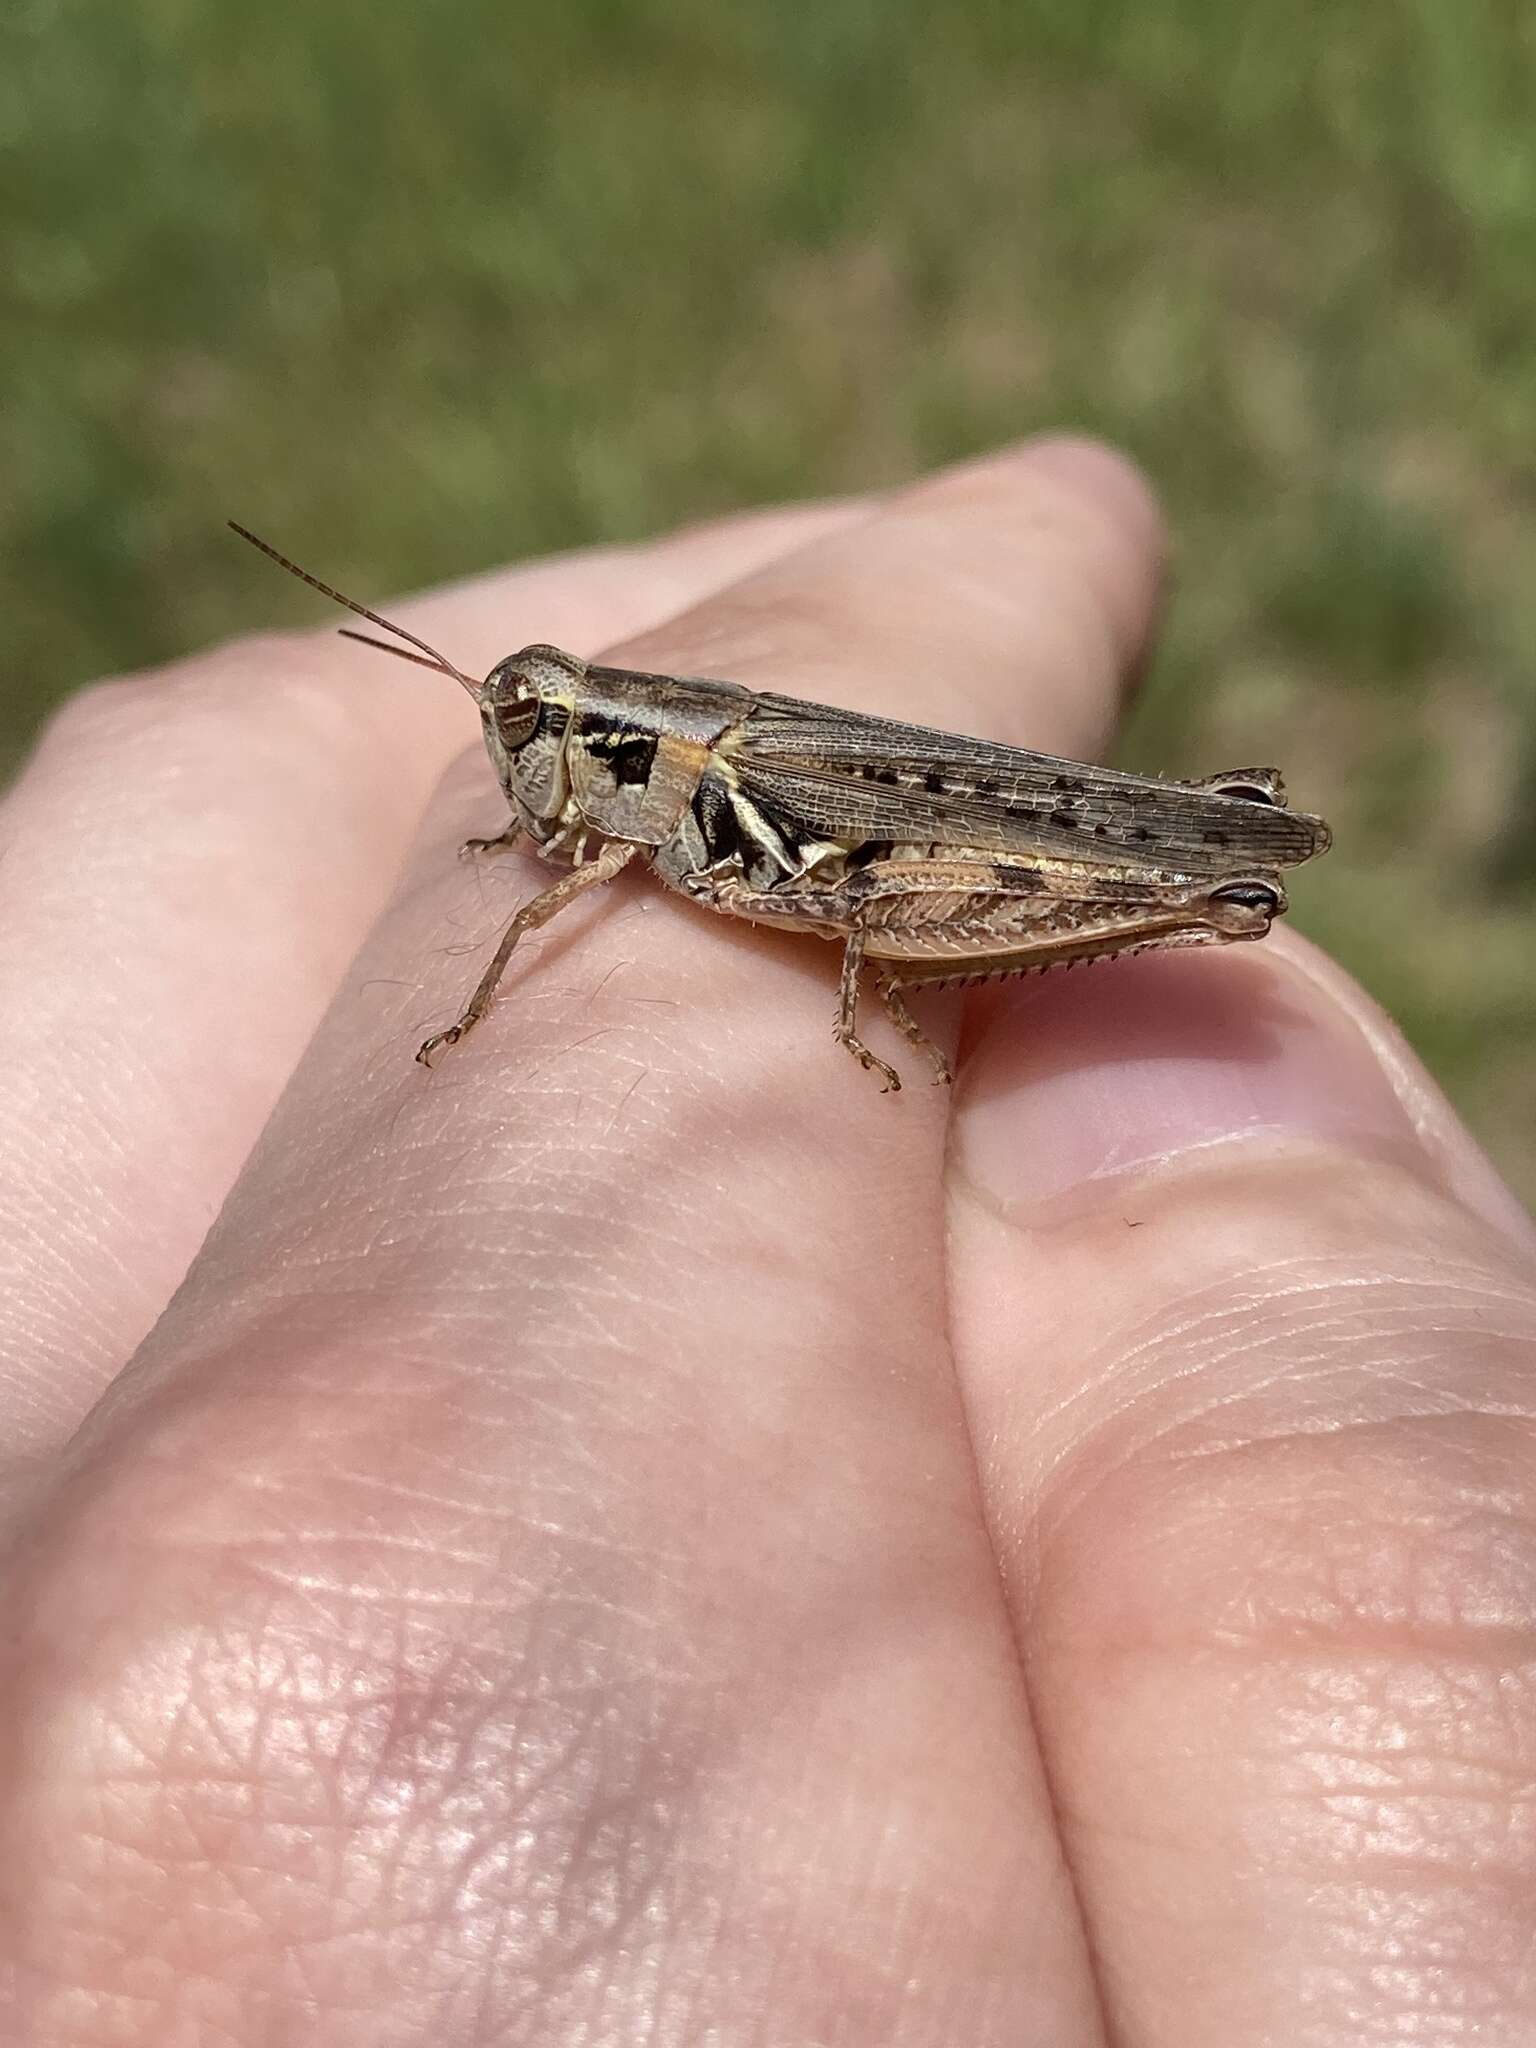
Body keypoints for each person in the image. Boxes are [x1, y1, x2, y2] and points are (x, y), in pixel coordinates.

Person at [3, 439, 1533, 2045]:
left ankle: (1200, 864)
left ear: (604, 736)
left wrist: (840, 998)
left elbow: (822, 891)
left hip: (896, 844)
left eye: (532, 732)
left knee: (875, 889)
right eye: (517, 730)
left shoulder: (689, 797)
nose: (520, 762)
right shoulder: (628, 792)